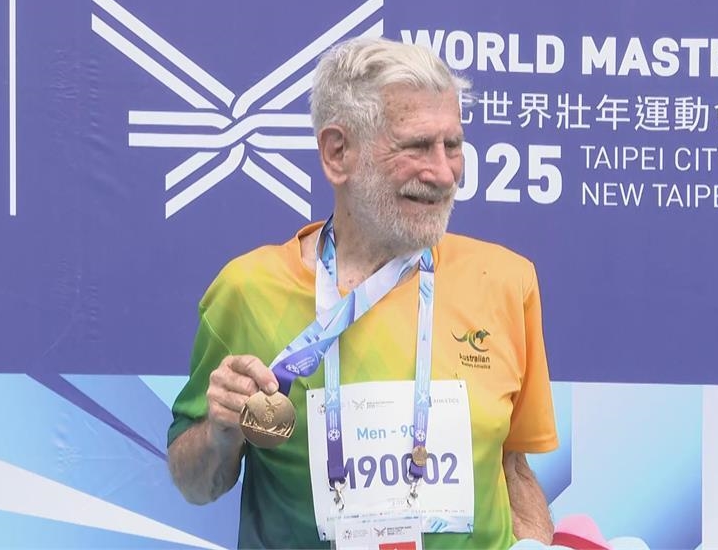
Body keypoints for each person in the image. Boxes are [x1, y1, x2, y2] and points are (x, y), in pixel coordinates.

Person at [167, 36, 558, 550]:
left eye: (453, 145)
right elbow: (195, 484)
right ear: (337, 153)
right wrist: (221, 433)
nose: (444, 173)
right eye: (416, 146)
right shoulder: (247, 289)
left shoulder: (505, 280)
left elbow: (513, 467)